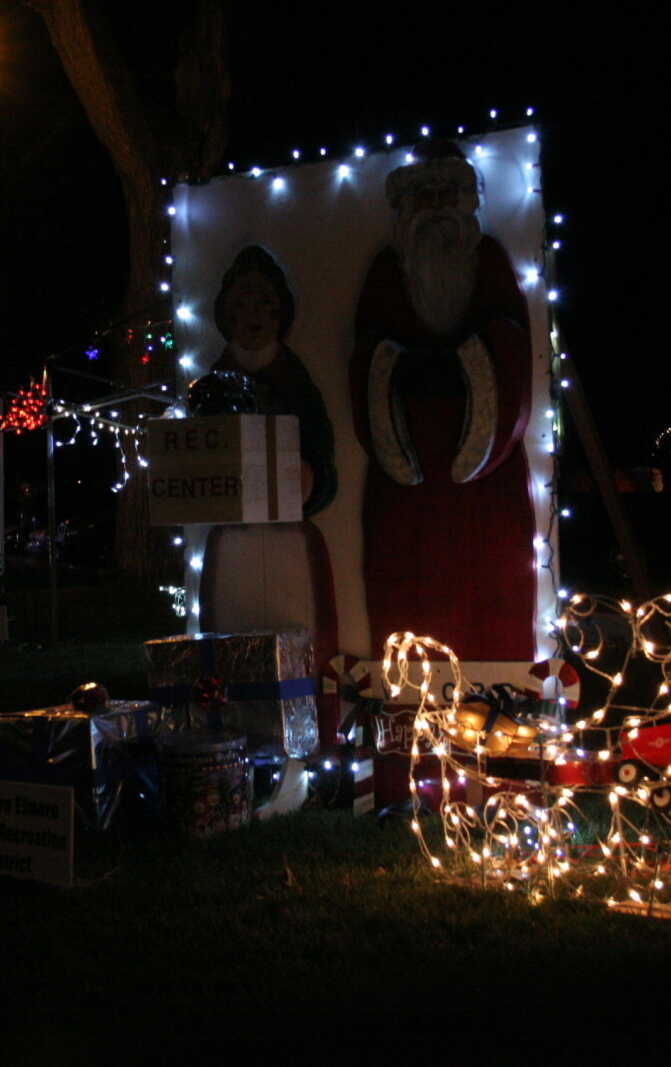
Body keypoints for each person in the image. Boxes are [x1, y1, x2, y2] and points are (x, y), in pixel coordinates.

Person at [350, 140, 536, 662]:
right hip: (404, 478)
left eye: (445, 193)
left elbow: (511, 348)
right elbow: (367, 354)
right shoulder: (388, 271)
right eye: (422, 195)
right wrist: (401, 368)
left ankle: (498, 701)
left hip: (485, 477)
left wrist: (466, 365)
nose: (434, 206)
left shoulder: (489, 262)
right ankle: (404, 701)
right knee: (404, 596)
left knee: (493, 587)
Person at [198, 246, 340, 729]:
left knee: (298, 636)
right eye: (241, 305)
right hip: (234, 540)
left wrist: (306, 479)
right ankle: (234, 729)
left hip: (287, 541)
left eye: (264, 304)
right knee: (230, 635)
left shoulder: (295, 382)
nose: (253, 316)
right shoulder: (215, 383)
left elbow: (320, 449)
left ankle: (304, 736)